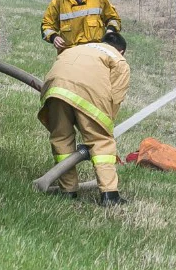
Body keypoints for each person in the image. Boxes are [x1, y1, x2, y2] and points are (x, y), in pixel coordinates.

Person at [37, 31, 131, 206]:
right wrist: (106, 126)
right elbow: (116, 96)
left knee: (61, 139)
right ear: (122, 51)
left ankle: (68, 191)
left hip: (54, 89)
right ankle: (110, 195)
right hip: (86, 91)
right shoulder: (119, 59)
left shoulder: (80, 48)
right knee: (101, 141)